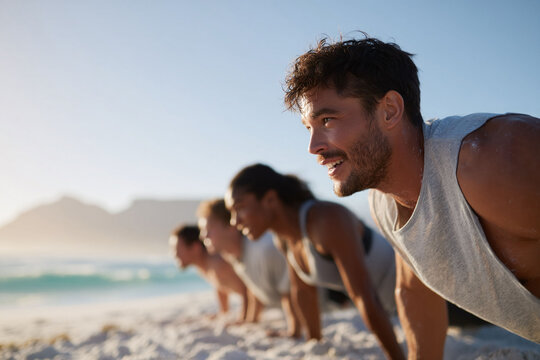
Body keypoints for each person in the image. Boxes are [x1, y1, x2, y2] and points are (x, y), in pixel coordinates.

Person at [283, 36, 540, 358]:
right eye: (309, 127)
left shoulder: (493, 159)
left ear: (389, 111)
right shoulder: (384, 200)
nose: (313, 147)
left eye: (327, 120)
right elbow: (415, 290)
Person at [226, 164, 405, 360]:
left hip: (426, 296)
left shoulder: (325, 220)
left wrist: (395, 356)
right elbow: (303, 291)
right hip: (396, 311)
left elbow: (364, 296)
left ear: (270, 199)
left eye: (240, 208)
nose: (234, 222)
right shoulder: (284, 239)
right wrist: (313, 343)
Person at [197, 198, 303, 337]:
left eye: (208, 229)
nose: (203, 235)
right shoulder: (234, 255)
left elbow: (290, 288)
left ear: (231, 225)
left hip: (333, 299)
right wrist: (250, 320)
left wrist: (293, 331)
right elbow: (253, 288)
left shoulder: (263, 248)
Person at [170, 224, 249, 322]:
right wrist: (223, 312)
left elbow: (248, 288)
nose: (174, 254)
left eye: (177, 249)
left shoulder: (217, 263)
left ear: (195, 247)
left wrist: (244, 318)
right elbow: (220, 287)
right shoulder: (204, 265)